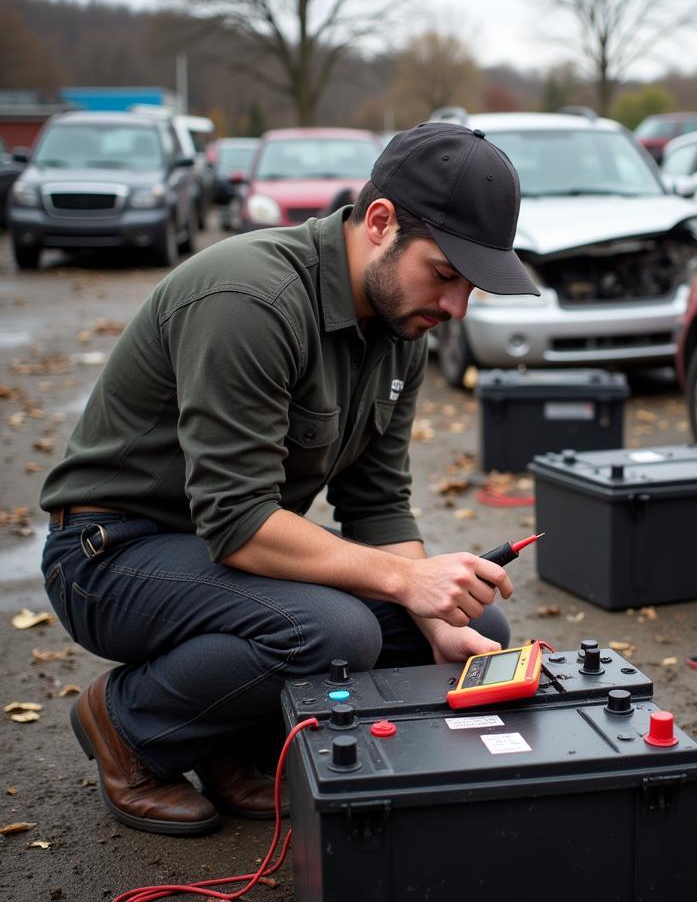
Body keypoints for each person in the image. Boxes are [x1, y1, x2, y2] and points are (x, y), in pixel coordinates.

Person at [39, 122, 539, 837]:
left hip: (221, 554)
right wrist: (404, 583)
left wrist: (432, 609)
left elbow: (378, 504)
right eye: (446, 273)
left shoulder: (401, 330)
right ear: (379, 222)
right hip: (109, 553)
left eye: (473, 287)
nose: (456, 308)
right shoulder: (252, 298)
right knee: (329, 630)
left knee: (471, 621)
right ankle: (125, 724)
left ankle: (226, 740)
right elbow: (238, 519)